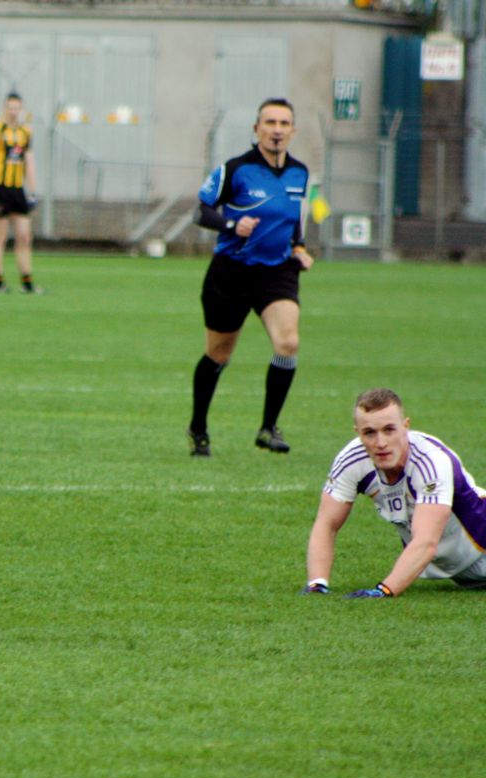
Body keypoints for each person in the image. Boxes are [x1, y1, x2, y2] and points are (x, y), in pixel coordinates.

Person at [187, 97, 313, 458]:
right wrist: (232, 224)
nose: (276, 130)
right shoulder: (236, 169)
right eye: (270, 123)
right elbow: (202, 211)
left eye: (284, 123)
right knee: (219, 353)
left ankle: (268, 428)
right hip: (231, 272)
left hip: (277, 272)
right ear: (256, 129)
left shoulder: (299, 173)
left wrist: (299, 247)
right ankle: (198, 427)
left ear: (293, 131)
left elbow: (293, 217)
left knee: (287, 342)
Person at [302, 388, 486, 598]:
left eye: (389, 430)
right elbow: (327, 524)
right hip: (462, 572)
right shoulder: (351, 460)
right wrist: (316, 584)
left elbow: (426, 542)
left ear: (405, 427)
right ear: (358, 432)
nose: (380, 443)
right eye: (369, 432)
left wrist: (384, 591)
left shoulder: (431, 460)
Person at [0, 92, 39, 294]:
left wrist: (32, 190)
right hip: (0, 188)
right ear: (5, 108)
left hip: (17, 190)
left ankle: (27, 282)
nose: (14, 112)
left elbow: (29, 162)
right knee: (0, 236)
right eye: (10, 108)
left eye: (17, 108)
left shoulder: (25, 132)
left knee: (24, 236)